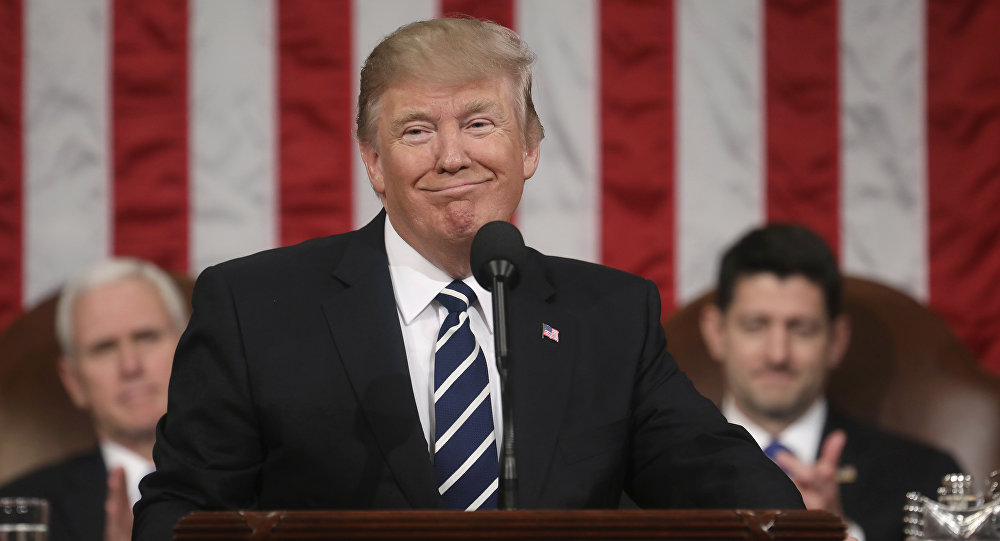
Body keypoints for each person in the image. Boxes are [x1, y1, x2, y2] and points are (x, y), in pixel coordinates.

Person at [132, 17, 804, 540]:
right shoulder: (258, 309)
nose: (452, 156)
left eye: (479, 123)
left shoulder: (610, 315)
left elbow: (730, 489)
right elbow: (184, 513)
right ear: (373, 161)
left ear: (530, 148)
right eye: (417, 130)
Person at [699, 224, 962, 541]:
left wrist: (845, 534)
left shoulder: (925, 481)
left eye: (802, 330)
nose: (778, 355)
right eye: (755, 326)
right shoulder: (649, 472)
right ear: (717, 332)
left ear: (836, 340)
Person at [0, 258, 188, 541]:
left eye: (146, 337)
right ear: (73, 381)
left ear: (190, 351)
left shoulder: (267, 484)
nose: (130, 366)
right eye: (104, 348)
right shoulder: (19, 513)